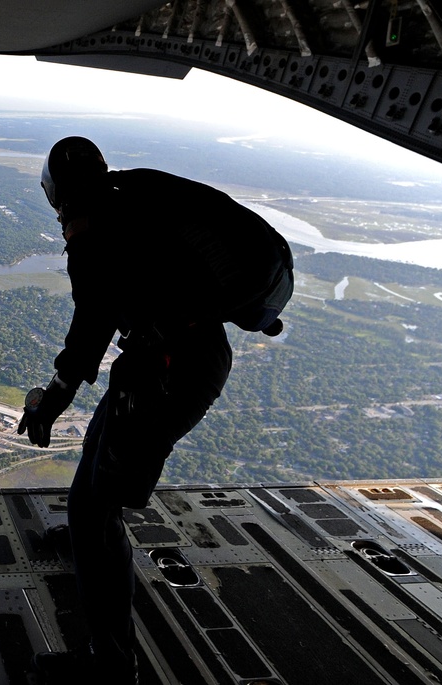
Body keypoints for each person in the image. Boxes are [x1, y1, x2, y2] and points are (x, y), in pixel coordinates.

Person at [20, 137, 288, 684]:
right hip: (171, 361)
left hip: (167, 374)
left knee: (99, 510)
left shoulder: (95, 234)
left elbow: (89, 332)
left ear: (56, 195)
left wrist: (51, 400)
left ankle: (112, 668)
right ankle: (83, 535)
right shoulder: (137, 194)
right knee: (92, 480)